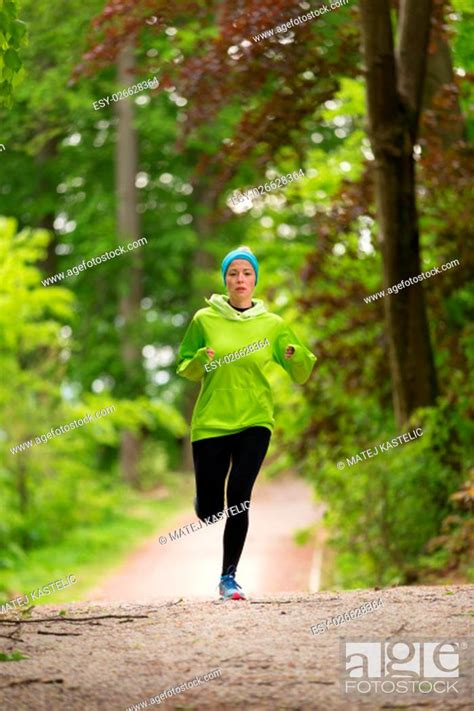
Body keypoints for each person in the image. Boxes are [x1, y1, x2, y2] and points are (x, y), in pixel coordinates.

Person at [176, 246, 317, 600]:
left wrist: (294, 355)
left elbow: (301, 371)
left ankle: (228, 578)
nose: (240, 279)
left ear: (255, 280)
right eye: (233, 273)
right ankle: (205, 502)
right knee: (212, 511)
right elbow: (185, 367)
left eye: (247, 273)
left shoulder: (273, 325)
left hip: (255, 420)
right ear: (225, 280)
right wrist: (199, 358)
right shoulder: (204, 320)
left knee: (239, 496)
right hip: (211, 422)